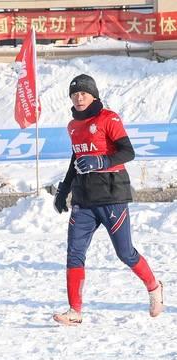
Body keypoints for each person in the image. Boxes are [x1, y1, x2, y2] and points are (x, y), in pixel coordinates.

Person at [52, 74, 164, 325]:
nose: (79, 97)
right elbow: (75, 159)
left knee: (125, 253)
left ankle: (154, 287)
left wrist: (101, 161)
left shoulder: (108, 118)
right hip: (83, 199)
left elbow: (128, 152)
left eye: (83, 93)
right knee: (74, 254)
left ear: (94, 95)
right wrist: (64, 190)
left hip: (112, 196)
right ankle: (75, 311)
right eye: (74, 94)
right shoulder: (72, 126)